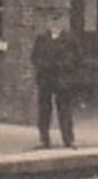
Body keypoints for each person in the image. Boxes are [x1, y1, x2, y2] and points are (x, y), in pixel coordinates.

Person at [31, 13, 79, 149]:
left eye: (58, 21)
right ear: (48, 23)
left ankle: (68, 139)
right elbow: (35, 57)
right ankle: (44, 139)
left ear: (62, 23)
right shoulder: (41, 39)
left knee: (65, 109)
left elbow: (76, 58)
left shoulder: (69, 40)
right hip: (45, 79)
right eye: (52, 21)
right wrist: (42, 66)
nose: (55, 24)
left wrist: (64, 66)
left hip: (62, 79)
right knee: (44, 109)